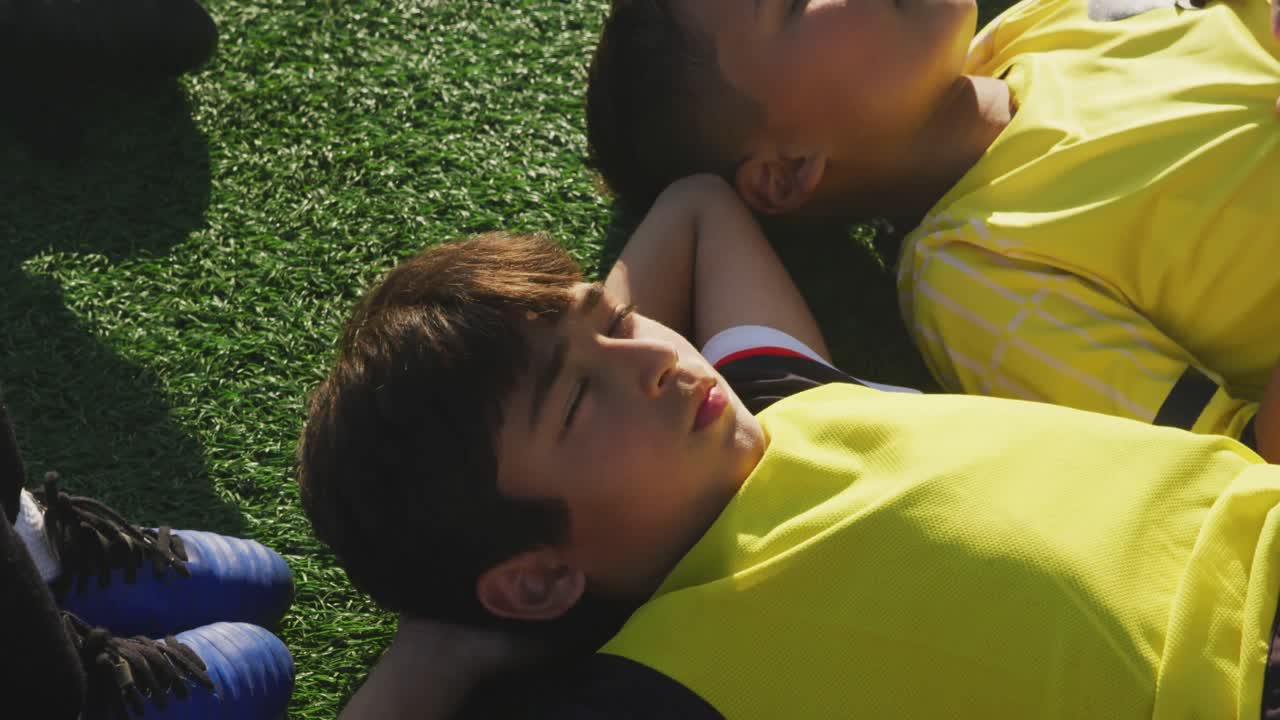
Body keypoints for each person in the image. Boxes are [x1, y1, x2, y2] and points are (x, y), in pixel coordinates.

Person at [301, 174, 1280, 719]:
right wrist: (431, 660)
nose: (647, 360)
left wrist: (574, 333)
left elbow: (694, 211)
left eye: (618, 323)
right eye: (575, 404)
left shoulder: (778, 400)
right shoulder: (652, 685)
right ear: (532, 581)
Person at [583, 0, 1280, 460]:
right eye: (794, 2)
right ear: (788, 171)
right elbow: (1237, 461)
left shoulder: (1045, 24)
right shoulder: (976, 277)